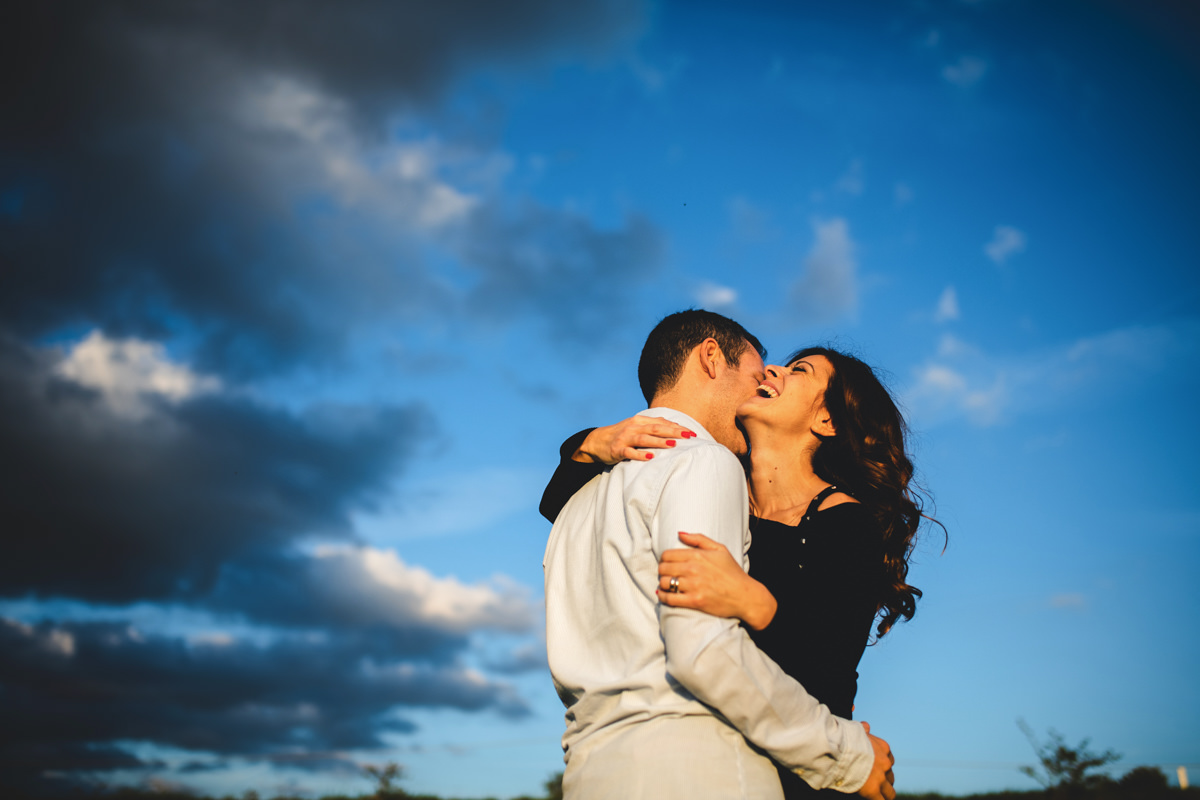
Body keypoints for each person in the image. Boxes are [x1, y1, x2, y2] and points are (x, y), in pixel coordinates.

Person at [541, 345, 932, 799]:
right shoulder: (716, 486)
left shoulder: (846, 520)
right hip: (716, 759)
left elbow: (830, 665)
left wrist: (757, 604)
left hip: (807, 770)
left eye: (799, 370)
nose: (773, 371)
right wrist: (589, 442)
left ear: (826, 420)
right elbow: (562, 504)